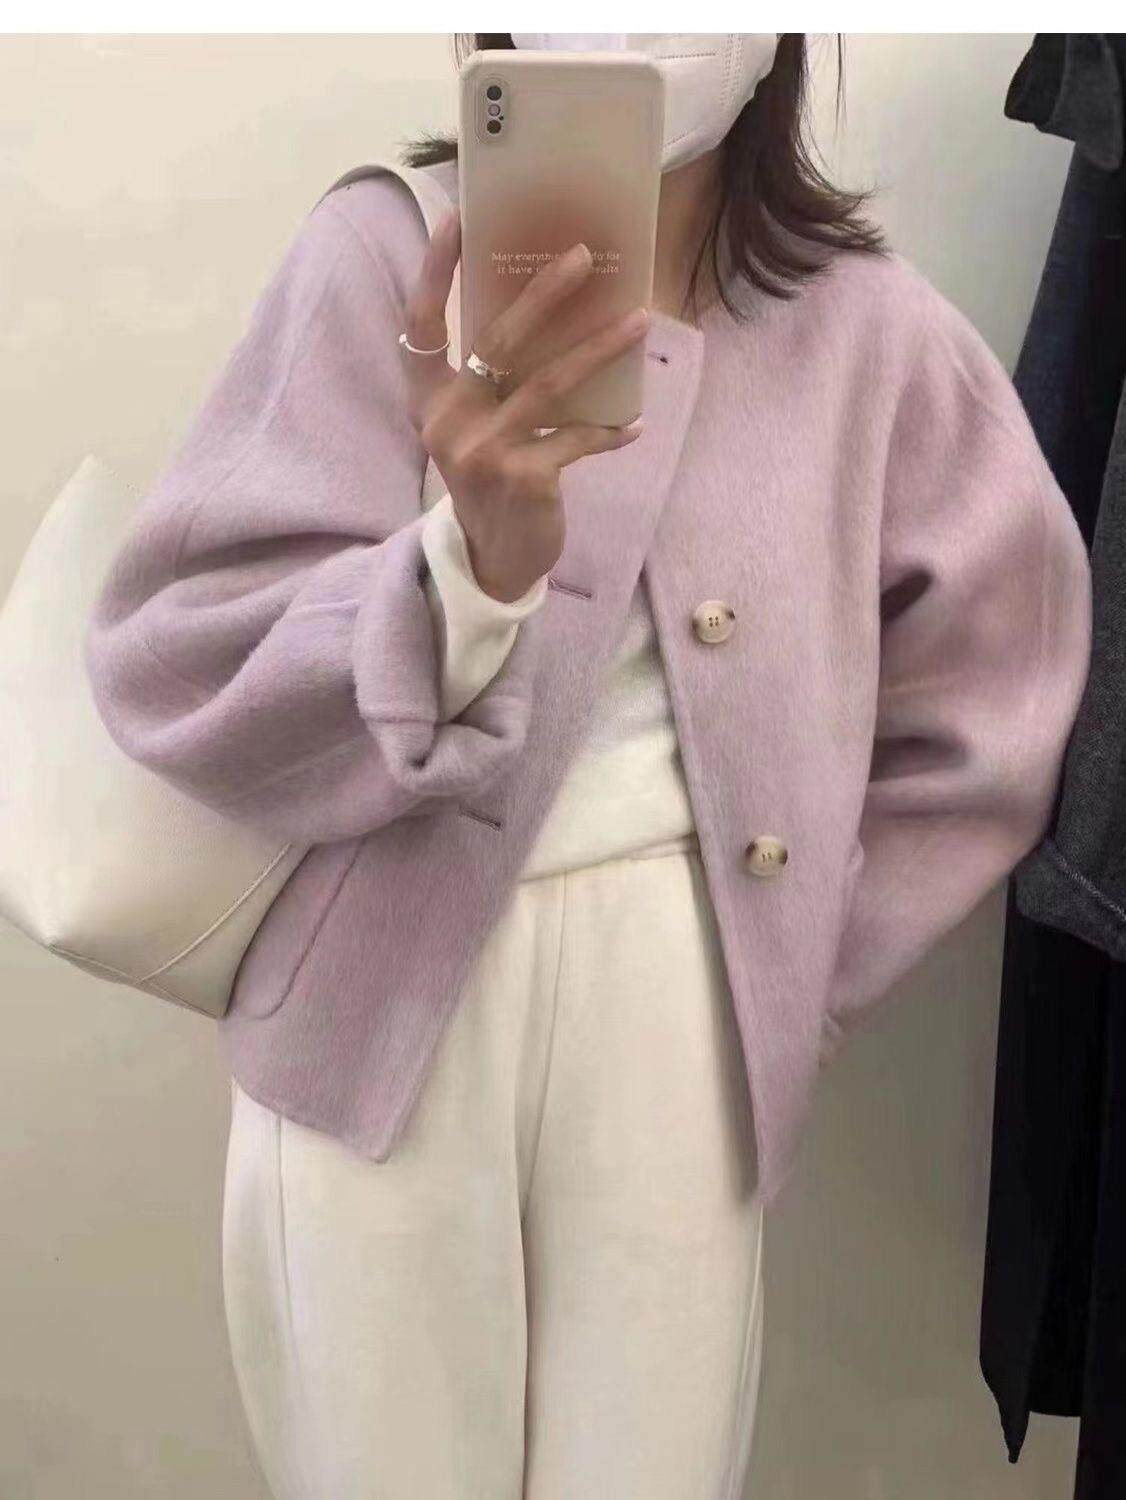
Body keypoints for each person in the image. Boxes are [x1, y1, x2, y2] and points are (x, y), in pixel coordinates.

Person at [84, 33, 1093, 1500]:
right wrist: (459, 577)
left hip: (683, 1007)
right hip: (374, 1008)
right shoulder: (385, 255)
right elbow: (182, 648)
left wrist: (801, 957)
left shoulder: (866, 331)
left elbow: (1005, 673)